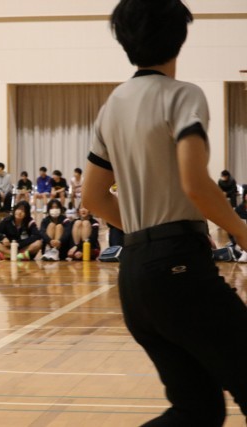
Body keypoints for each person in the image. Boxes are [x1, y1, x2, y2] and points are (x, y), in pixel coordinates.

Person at [83, 1, 247, 424]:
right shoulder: (183, 95)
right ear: (180, 37)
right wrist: (239, 228)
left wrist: (148, 233)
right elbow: (194, 181)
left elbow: (94, 198)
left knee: (197, 411)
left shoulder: (112, 105)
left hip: (135, 274)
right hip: (179, 269)